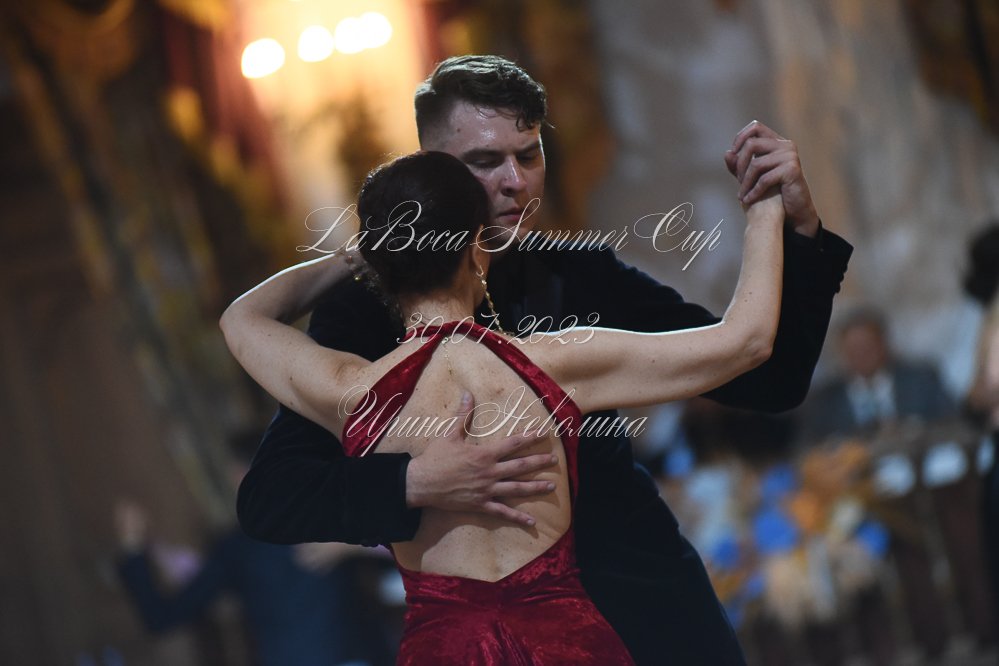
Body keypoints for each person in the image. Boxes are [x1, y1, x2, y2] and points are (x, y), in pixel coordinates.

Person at [236, 55, 853, 665]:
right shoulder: (362, 314)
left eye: (528, 155)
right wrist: (415, 482)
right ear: (433, 167)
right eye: (485, 162)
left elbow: (770, 379)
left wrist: (799, 232)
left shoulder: (578, 269)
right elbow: (273, 497)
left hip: (646, 613)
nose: (516, 182)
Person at [114, 433, 386, 666]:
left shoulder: (240, 548)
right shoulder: (334, 520)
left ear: (240, 477)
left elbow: (163, 616)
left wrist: (133, 546)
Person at [797, 306, 956, 443]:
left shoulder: (922, 380)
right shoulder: (824, 402)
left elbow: (952, 424)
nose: (862, 355)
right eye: (854, 349)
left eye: (868, 346)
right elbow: (807, 450)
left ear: (883, 343)